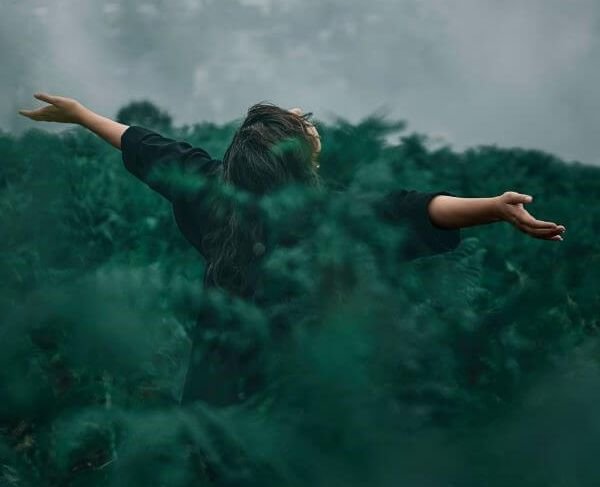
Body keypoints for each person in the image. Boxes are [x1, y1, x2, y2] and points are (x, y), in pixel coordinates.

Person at [18, 93, 567, 405]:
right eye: (303, 124)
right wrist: (494, 208)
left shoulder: (210, 188)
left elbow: (142, 146)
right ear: (298, 156)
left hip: (214, 390)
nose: (310, 122)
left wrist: (80, 115)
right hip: (299, 395)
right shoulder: (323, 212)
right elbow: (412, 207)